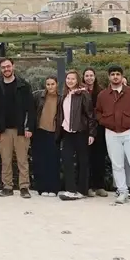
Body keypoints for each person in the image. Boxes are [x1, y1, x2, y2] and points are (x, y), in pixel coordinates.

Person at [95, 65, 130, 205]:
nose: (115, 76)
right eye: (113, 74)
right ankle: (122, 191)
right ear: (109, 77)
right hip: (111, 133)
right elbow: (98, 111)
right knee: (117, 165)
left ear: (122, 76)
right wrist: (104, 121)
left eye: (118, 74)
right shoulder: (103, 95)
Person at [0, 57, 33, 198]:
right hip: (4, 129)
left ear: (13, 66)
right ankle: (7, 186)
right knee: (6, 160)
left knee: (22, 160)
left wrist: (28, 127)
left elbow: (30, 109)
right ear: (0, 69)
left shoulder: (23, 85)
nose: (6, 69)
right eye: (3, 67)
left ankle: (24, 187)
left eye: (8, 66)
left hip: (21, 129)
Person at [56, 70, 94, 201]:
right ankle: (70, 189)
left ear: (77, 80)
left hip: (81, 132)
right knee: (66, 160)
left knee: (82, 161)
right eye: (68, 78)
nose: (70, 81)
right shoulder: (64, 95)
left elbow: (90, 115)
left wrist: (91, 133)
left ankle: (82, 190)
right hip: (67, 132)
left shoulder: (83, 94)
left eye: (72, 79)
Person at [31, 76, 61, 197]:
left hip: (54, 133)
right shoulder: (38, 96)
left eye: (52, 84)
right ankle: (41, 187)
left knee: (53, 161)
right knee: (40, 161)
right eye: (48, 84)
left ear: (57, 84)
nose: (50, 87)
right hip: (40, 131)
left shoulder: (61, 98)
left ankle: (53, 188)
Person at [82, 68, 110, 197]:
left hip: (99, 129)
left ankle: (99, 186)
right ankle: (88, 186)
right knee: (86, 158)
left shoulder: (101, 91)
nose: (89, 78)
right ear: (83, 77)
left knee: (99, 158)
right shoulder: (80, 91)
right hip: (84, 129)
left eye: (91, 75)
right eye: (86, 75)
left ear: (95, 77)